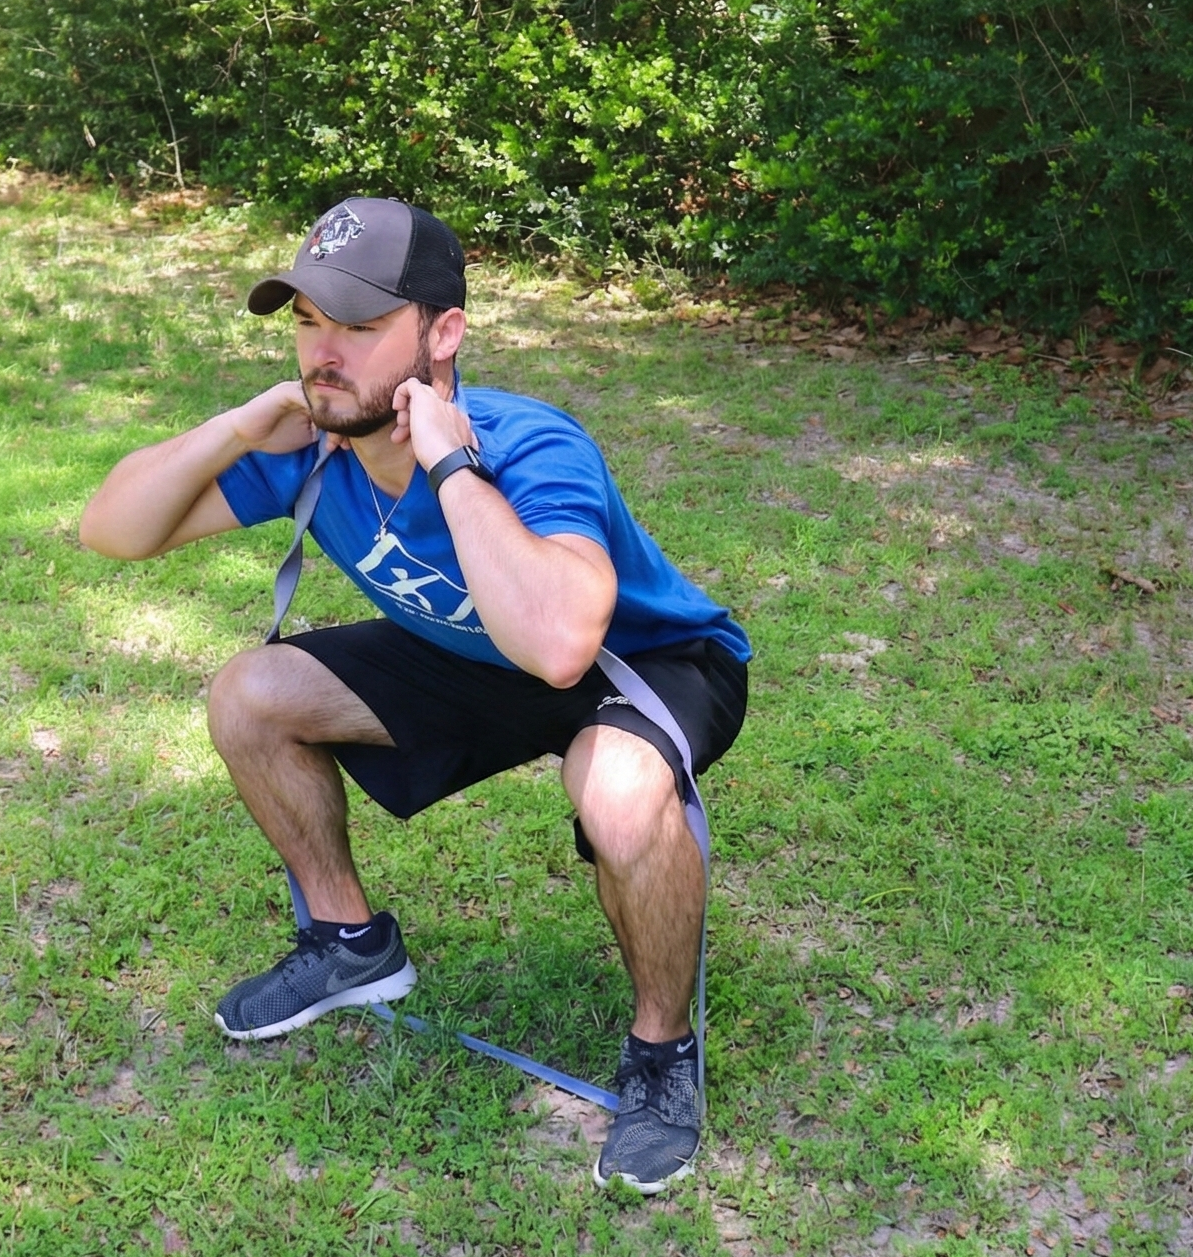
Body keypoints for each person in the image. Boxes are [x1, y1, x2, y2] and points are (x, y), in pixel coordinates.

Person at [79, 197, 750, 1192]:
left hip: (639, 661)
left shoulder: (530, 443)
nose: (323, 351)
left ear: (442, 335)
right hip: (480, 659)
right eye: (307, 321)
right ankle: (350, 945)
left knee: (615, 791)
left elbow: (564, 642)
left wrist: (446, 460)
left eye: (356, 324)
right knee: (249, 693)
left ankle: (662, 1050)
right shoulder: (319, 441)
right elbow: (114, 529)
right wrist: (239, 426)